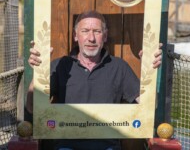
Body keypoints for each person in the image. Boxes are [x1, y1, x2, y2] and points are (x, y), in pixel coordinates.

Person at [26, 10, 162, 150]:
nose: (91, 38)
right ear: (75, 36)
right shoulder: (60, 65)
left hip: (108, 147)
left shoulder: (119, 67)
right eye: (85, 31)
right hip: (66, 146)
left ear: (105, 36)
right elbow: (32, 107)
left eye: (97, 31)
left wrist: (149, 70)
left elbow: (149, 106)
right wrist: (38, 71)